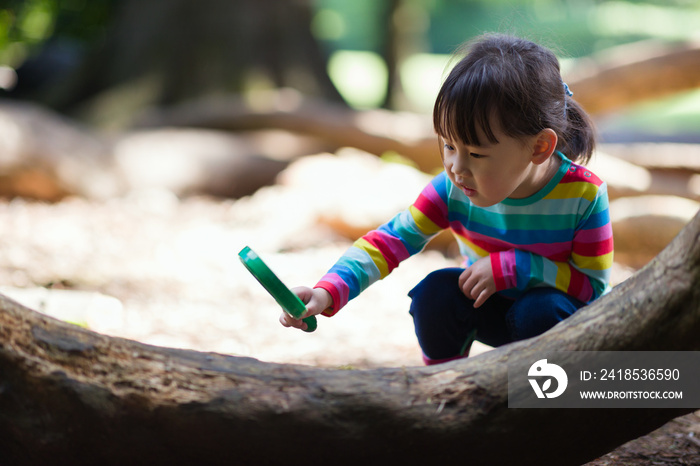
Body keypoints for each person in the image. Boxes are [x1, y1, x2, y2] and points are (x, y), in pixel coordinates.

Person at [280, 33, 614, 365]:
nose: (456, 168)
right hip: (492, 308)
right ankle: (445, 387)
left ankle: (542, 403)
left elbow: (591, 289)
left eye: (476, 154)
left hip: (559, 330)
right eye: (449, 146)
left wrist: (516, 268)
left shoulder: (582, 195)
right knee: (436, 293)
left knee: (537, 309)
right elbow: (388, 242)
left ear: (540, 147)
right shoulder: (452, 190)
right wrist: (326, 292)